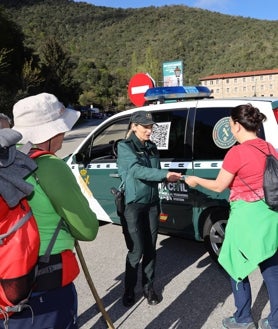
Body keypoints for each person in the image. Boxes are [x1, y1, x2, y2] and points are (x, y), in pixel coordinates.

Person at [0, 93, 99, 329]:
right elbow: (88, 230)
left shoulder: (8, 162)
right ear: (51, 131)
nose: (64, 133)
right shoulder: (50, 166)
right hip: (45, 288)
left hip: (8, 286)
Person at [184, 103, 278, 329]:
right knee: (271, 268)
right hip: (270, 214)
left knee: (235, 264)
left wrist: (195, 180)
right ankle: (275, 321)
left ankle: (243, 318)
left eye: (230, 124)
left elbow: (219, 186)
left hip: (246, 215)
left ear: (237, 125)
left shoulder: (236, 152)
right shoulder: (270, 148)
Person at [117, 110, 182, 307]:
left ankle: (148, 287)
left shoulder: (152, 147)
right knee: (136, 250)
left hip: (152, 204)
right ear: (134, 126)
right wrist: (164, 175)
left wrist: (165, 177)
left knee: (150, 249)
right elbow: (136, 170)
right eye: (145, 127)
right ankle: (129, 289)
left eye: (151, 126)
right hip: (134, 206)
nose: (149, 130)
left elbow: (154, 171)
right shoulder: (124, 146)